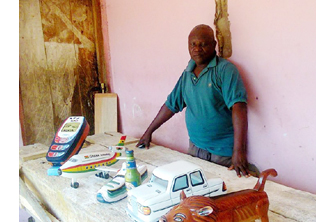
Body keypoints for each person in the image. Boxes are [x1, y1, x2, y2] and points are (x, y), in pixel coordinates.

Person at [136, 24, 250, 178]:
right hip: (195, 148)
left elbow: (239, 108)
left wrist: (239, 151)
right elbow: (171, 105)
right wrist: (149, 132)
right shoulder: (188, 73)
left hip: (222, 153)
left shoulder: (225, 70)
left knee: (221, 196)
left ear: (214, 45)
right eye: (193, 44)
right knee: (195, 195)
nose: (197, 49)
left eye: (203, 44)